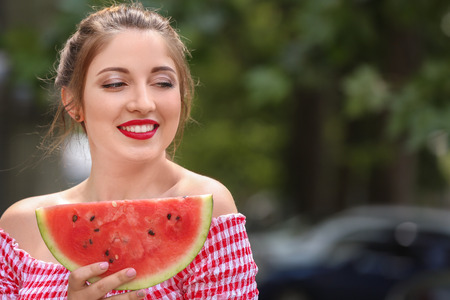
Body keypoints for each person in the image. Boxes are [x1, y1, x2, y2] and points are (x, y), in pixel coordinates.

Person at [0, 3, 258, 299]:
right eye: (115, 83)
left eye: (163, 83)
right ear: (72, 102)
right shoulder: (19, 228)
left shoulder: (210, 210)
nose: (144, 102)